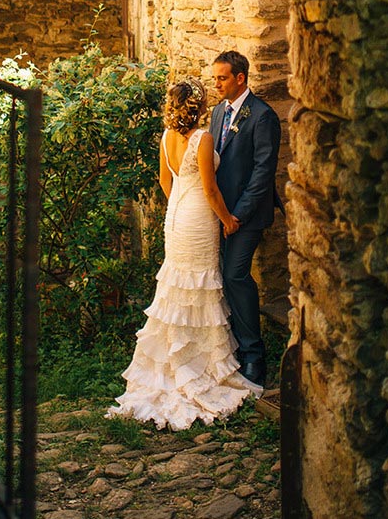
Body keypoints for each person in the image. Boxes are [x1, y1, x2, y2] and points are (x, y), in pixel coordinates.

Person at [107, 79, 263, 431]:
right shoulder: (202, 139)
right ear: (197, 106)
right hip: (198, 217)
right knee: (200, 287)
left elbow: (166, 182)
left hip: (175, 217)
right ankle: (198, 368)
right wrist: (228, 220)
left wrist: (180, 202)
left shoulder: (166, 137)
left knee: (178, 286)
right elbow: (209, 188)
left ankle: (174, 362)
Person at [210, 51, 282, 390]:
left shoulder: (263, 116)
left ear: (241, 78)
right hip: (219, 215)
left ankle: (255, 356)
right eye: (215, 78)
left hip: (247, 215)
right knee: (223, 277)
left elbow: (262, 173)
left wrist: (237, 215)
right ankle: (235, 349)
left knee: (235, 275)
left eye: (222, 78)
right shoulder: (216, 113)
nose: (217, 84)